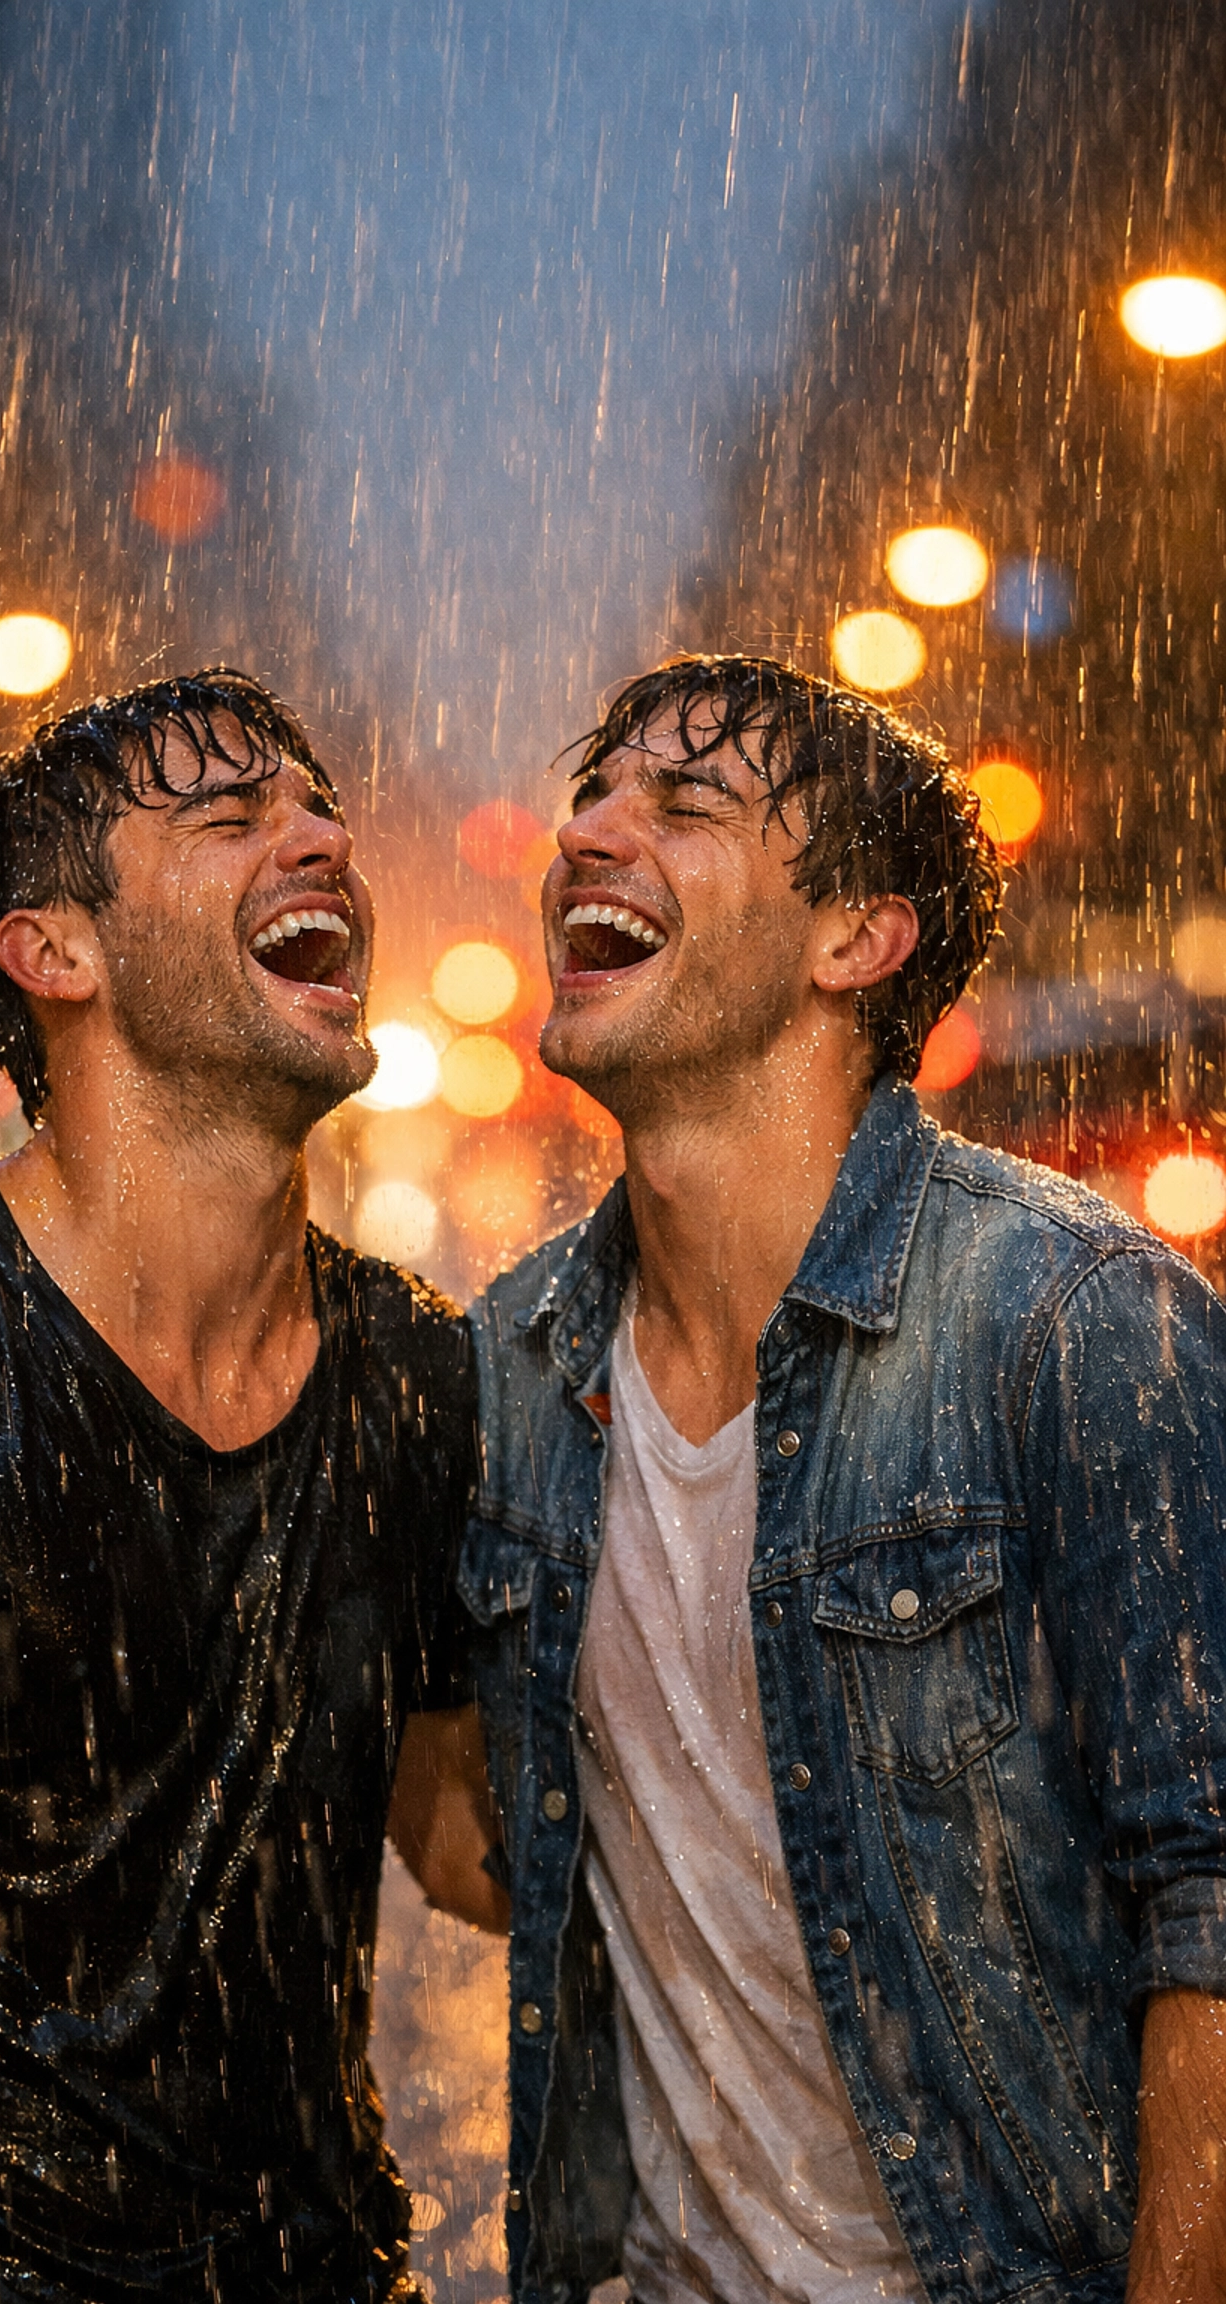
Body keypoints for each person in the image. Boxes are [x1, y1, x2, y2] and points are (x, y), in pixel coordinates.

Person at [0, 667, 494, 2304]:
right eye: (232, 817)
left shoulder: (414, 1375)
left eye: (322, 809)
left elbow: (475, 1851)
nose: (322, 842)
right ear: (55, 954)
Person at [456, 654, 1226, 2304]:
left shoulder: (1071, 1324)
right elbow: (494, 1848)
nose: (589, 835)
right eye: (594, 795)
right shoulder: (511, 1370)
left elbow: (1211, 1909)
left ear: (856, 939)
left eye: (684, 804)